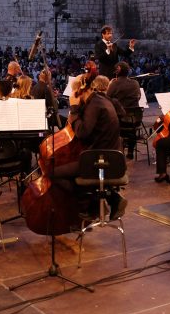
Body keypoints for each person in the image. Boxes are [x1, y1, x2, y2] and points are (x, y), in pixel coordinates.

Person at [52, 72, 127, 221]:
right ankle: (102, 200)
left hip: (99, 160)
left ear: (80, 91)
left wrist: (73, 108)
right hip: (110, 156)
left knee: (53, 173)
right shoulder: (99, 100)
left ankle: (86, 205)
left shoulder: (94, 105)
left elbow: (82, 133)